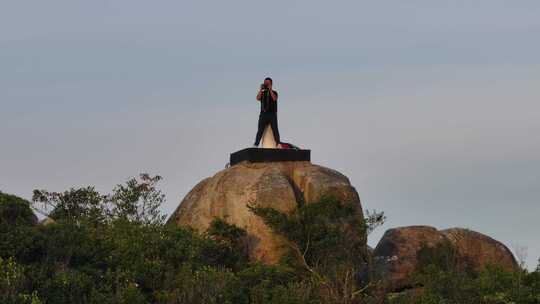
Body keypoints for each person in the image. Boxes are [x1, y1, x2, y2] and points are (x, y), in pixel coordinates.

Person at [253, 77, 281, 147]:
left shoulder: (274, 92)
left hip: (272, 114)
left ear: (271, 84)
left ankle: (278, 143)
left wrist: (270, 89)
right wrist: (260, 90)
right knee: (260, 130)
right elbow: (258, 98)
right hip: (263, 114)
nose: (266, 84)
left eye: (267, 83)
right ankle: (256, 144)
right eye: (265, 83)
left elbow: (274, 98)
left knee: (275, 129)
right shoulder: (263, 93)